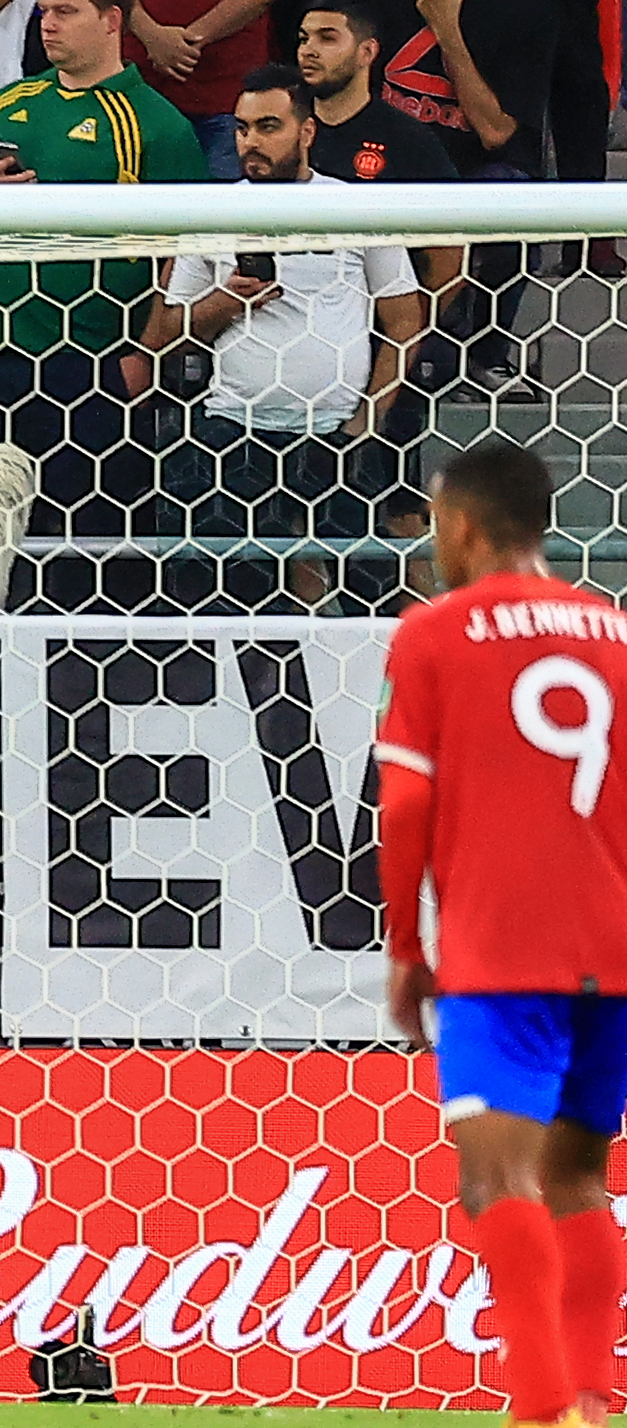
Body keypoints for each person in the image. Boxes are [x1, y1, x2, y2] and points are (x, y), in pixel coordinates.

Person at [373, 432, 627, 1425]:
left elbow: (400, 806)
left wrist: (405, 947)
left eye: (436, 521)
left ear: (462, 522)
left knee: (495, 1180)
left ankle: (536, 1408)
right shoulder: (612, 631)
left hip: (498, 949)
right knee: (578, 1177)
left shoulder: (432, 632)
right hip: (610, 948)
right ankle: (591, 1396)